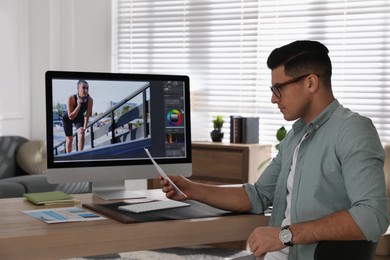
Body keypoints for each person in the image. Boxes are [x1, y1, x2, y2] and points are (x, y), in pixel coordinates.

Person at [159, 40, 389, 259]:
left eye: (278, 88)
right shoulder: (297, 135)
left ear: (311, 83)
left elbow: (373, 216)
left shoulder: (353, 130)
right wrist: (191, 189)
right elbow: (258, 195)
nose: (273, 99)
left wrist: (285, 235)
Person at [62, 80, 93, 153]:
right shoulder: (71, 98)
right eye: (83, 88)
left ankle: (79, 155)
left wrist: (84, 128)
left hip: (79, 117)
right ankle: (68, 158)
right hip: (68, 117)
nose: (86, 90)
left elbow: (87, 115)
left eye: (87, 88)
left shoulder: (90, 100)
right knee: (70, 139)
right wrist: (79, 105)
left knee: (81, 133)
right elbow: (71, 117)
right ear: (78, 89)